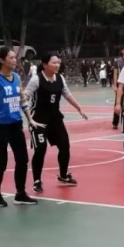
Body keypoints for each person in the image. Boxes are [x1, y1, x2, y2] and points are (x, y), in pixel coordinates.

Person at [0, 47, 41, 207]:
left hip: (15, 125)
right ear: (2, 60)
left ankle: (20, 194)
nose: (15, 60)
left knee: (22, 160)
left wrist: (30, 119)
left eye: (15, 57)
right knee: (1, 162)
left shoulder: (16, 78)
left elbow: (22, 100)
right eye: (11, 57)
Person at [24, 53, 88, 193]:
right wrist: (29, 117)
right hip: (39, 120)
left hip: (55, 119)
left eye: (58, 62)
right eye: (54, 62)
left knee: (65, 146)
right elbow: (25, 96)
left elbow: (67, 94)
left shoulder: (60, 78)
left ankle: (63, 176)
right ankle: (37, 180)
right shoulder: (37, 79)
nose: (57, 65)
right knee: (40, 149)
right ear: (45, 64)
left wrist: (79, 108)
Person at [112, 46, 124, 130]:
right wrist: (115, 85)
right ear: (122, 51)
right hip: (120, 84)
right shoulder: (118, 61)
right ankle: (115, 122)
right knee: (118, 102)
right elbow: (115, 73)